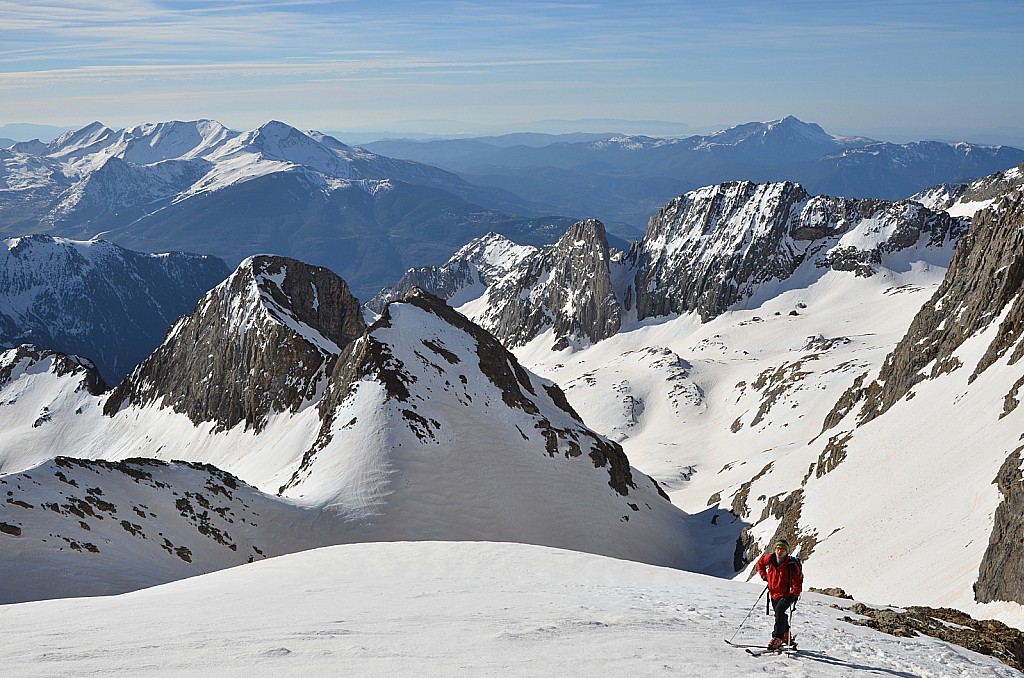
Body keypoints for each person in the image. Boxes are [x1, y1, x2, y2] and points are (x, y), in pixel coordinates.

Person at [756, 538, 803, 651]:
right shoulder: (770, 559)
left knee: (779, 611)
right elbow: (760, 563)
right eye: (778, 548)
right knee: (779, 614)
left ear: (787, 551)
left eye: (782, 549)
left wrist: (794, 594)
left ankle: (777, 637)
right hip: (774, 593)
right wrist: (764, 576)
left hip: (787, 594)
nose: (779, 551)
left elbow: (798, 579)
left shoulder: (791, 564)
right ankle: (786, 636)